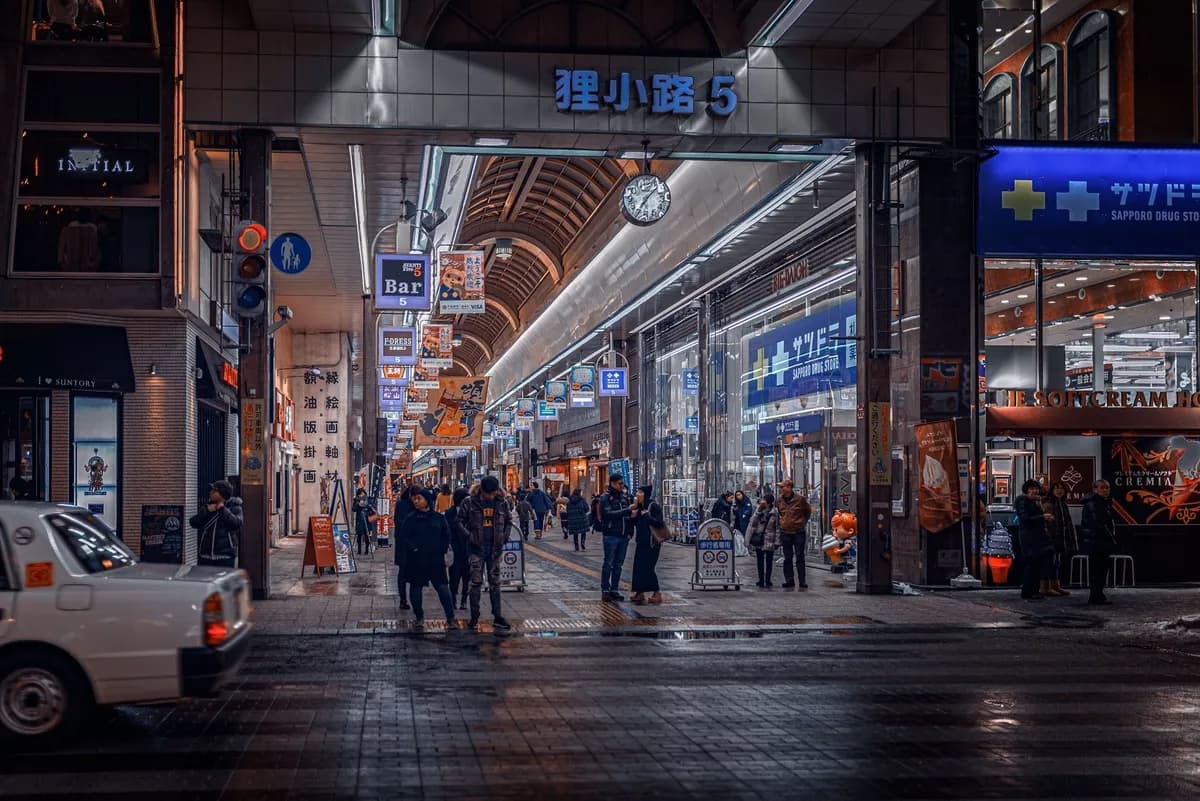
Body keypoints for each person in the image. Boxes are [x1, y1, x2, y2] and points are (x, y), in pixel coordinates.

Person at [459, 476, 513, 630]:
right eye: (487, 494)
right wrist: (469, 536)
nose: (489, 497)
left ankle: (497, 616)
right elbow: (459, 521)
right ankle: (474, 616)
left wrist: (504, 536)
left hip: (495, 549)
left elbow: (509, 521)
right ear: (481, 490)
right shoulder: (469, 502)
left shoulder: (502, 502)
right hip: (476, 549)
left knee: (495, 583)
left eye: (492, 493)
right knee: (475, 583)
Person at [400, 489, 457, 629]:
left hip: (436, 560)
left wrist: (442, 550)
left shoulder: (438, 518)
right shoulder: (411, 518)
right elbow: (404, 537)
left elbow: (446, 535)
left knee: (443, 588)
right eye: (415, 499)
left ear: (427, 501)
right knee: (416, 589)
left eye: (419, 498)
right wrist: (414, 549)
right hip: (417, 560)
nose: (416, 501)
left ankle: (450, 618)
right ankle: (419, 617)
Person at [1015, 479, 1056, 601]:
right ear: (1026, 490)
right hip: (1029, 537)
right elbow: (1025, 518)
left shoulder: (1035, 502)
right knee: (1032, 565)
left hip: (1038, 537)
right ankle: (1028, 591)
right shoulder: (1023, 501)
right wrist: (1042, 516)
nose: (1035, 491)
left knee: (1037, 564)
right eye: (1032, 489)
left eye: (1036, 489)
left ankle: (1034, 590)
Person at [1080, 479, 1118, 606]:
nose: (1106, 490)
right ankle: (1095, 596)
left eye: (1107, 487)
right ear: (1095, 489)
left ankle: (1098, 594)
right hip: (1096, 541)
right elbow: (1099, 523)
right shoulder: (1094, 503)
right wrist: (1110, 537)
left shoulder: (1103, 502)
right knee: (1097, 570)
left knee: (1102, 569)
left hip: (1101, 540)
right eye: (1102, 488)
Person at [190, 480, 242, 567]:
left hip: (225, 556)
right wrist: (206, 511)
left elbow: (236, 524)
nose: (210, 492)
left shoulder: (234, 507)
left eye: (214, 491)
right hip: (205, 555)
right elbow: (193, 523)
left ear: (222, 494)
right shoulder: (208, 506)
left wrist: (222, 509)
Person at [599, 474, 633, 602]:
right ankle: (605, 590)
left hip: (623, 536)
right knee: (608, 563)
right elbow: (607, 514)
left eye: (622, 483)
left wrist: (630, 532)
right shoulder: (605, 498)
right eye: (619, 483)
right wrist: (627, 511)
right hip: (611, 535)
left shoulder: (624, 498)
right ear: (612, 483)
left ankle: (614, 589)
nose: (621, 486)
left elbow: (629, 517)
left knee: (618, 565)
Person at [630, 485, 665, 604]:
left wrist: (646, 516)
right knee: (638, 568)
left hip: (652, 543)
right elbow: (636, 523)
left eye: (640, 492)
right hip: (641, 541)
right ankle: (639, 593)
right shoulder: (640, 507)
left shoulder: (653, 506)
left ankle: (657, 592)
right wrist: (634, 515)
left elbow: (659, 523)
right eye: (637, 492)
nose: (638, 495)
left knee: (648, 568)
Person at [776, 480, 812, 589]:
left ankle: (802, 581)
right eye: (780, 487)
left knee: (800, 556)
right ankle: (789, 580)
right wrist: (782, 524)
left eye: (783, 487)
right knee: (787, 557)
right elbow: (779, 513)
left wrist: (802, 523)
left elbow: (807, 511)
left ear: (789, 487)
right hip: (785, 532)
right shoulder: (779, 500)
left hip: (798, 532)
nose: (781, 489)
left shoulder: (800, 499)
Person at [1044, 480, 1077, 597]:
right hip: (1051, 539)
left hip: (1061, 539)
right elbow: (1047, 524)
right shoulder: (1049, 504)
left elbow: (1067, 524)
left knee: (1056, 562)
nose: (1059, 490)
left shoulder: (1062, 504)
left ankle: (1055, 585)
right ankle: (1047, 587)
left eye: (1061, 488)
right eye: (1056, 488)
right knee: (1050, 563)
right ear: (1052, 491)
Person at [445, 487, 471, 609]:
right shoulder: (449, 513)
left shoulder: (472, 512)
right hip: (454, 549)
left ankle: (464, 599)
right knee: (454, 577)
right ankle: (453, 598)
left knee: (467, 577)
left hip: (468, 549)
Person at [747, 493, 780, 587]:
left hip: (770, 539)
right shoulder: (758, 510)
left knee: (769, 561)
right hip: (759, 539)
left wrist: (777, 541)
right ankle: (761, 579)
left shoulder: (775, 512)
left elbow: (777, 528)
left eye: (763, 500)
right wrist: (758, 512)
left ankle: (768, 579)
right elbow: (752, 523)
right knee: (760, 560)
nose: (761, 501)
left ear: (768, 502)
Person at [393, 486, 417, 609]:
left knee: (412, 573)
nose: (417, 500)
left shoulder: (417, 506)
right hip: (404, 544)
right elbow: (398, 522)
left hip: (413, 544)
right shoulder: (402, 505)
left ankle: (411, 600)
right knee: (403, 572)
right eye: (416, 497)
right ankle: (403, 599)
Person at [353, 488, 373, 556]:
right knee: (359, 535)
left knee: (366, 535)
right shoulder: (356, 500)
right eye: (360, 494)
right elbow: (354, 509)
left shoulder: (367, 499)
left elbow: (371, 508)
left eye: (362, 493)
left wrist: (367, 507)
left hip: (367, 519)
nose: (361, 495)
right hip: (359, 520)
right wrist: (357, 504)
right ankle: (359, 550)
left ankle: (367, 549)